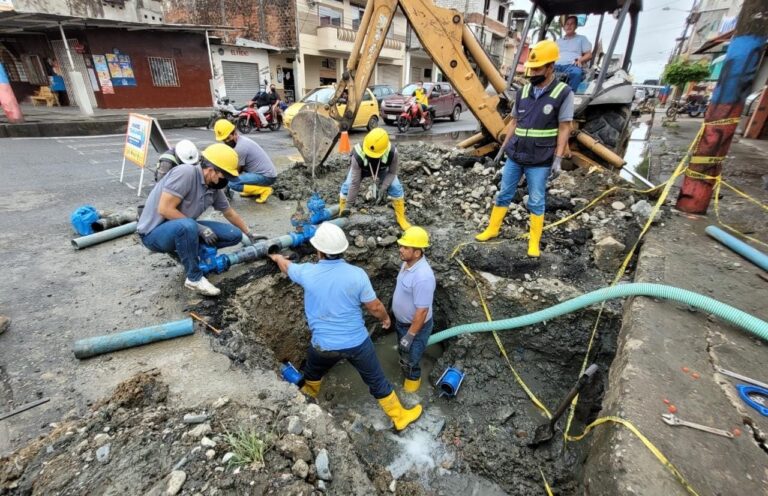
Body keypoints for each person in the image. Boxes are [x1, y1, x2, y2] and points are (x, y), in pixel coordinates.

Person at [268, 222, 422, 431]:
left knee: (312, 375)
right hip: (356, 343)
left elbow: (286, 266)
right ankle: (399, 417)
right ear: (343, 249)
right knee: (376, 380)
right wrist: (385, 319)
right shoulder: (356, 274)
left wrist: (277, 257)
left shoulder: (306, 272)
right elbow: (375, 306)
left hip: (323, 345)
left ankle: (307, 404)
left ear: (319, 250)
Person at [475, 39, 574, 258]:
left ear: (551, 67)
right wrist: (503, 148)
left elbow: (565, 127)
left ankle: (534, 242)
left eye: (538, 69)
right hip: (516, 154)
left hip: (540, 158)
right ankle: (492, 229)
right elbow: (514, 122)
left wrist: (557, 158)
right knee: (503, 193)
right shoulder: (523, 92)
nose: (533, 73)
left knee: (536, 199)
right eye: (532, 68)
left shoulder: (563, 93)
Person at [137, 143, 262, 296]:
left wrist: (249, 233)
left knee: (234, 234)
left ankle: (188, 252)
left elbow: (229, 212)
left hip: (182, 226)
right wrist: (201, 229)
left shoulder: (212, 186)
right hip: (154, 233)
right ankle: (194, 278)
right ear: (211, 170)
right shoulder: (186, 173)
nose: (226, 181)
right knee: (188, 226)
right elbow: (164, 209)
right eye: (225, 176)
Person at [338, 128, 412, 231]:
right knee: (347, 185)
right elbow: (355, 183)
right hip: (361, 169)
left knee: (396, 186)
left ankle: (401, 218)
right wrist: (349, 205)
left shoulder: (392, 152)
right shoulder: (357, 154)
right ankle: (342, 211)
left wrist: (383, 188)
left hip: (381, 169)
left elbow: (392, 173)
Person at [392, 226, 435, 393]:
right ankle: (405, 363)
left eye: (405, 247)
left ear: (417, 253)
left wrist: (410, 335)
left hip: (416, 328)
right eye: (401, 246)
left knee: (411, 359)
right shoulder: (407, 263)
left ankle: (412, 384)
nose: (400, 250)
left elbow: (422, 312)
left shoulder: (423, 277)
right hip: (402, 323)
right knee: (404, 353)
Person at [214, 119, 277, 203]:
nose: (226, 142)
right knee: (231, 177)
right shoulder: (239, 141)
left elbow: (237, 171)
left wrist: (224, 180)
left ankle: (264, 190)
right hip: (261, 173)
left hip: (267, 177)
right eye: (224, 140)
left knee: (233, 183)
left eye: (228, 138)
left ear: (234, 133)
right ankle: (252, 190)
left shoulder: (241, 147)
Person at [554, 15, 592, 93]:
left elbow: (589, 54)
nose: (569, 26)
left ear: (576, 26)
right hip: (557, 65)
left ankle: (570, 95)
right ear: (564, 27)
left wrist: (580, 60)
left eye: (572, 24)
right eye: (567, 24)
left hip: (572, 65)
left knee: (576, 73)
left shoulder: (582, 38)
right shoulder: (558, 41)